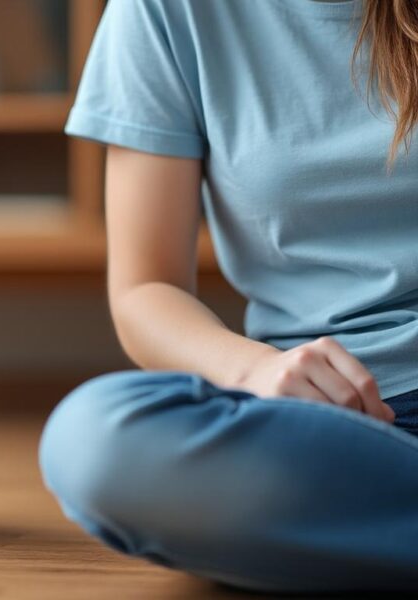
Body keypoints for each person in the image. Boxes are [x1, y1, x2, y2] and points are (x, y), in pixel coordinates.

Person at [39, 0, 418, 592]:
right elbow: (146, 289)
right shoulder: (166, 12)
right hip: (326, 426)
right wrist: (257, 371)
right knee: (93, 443)